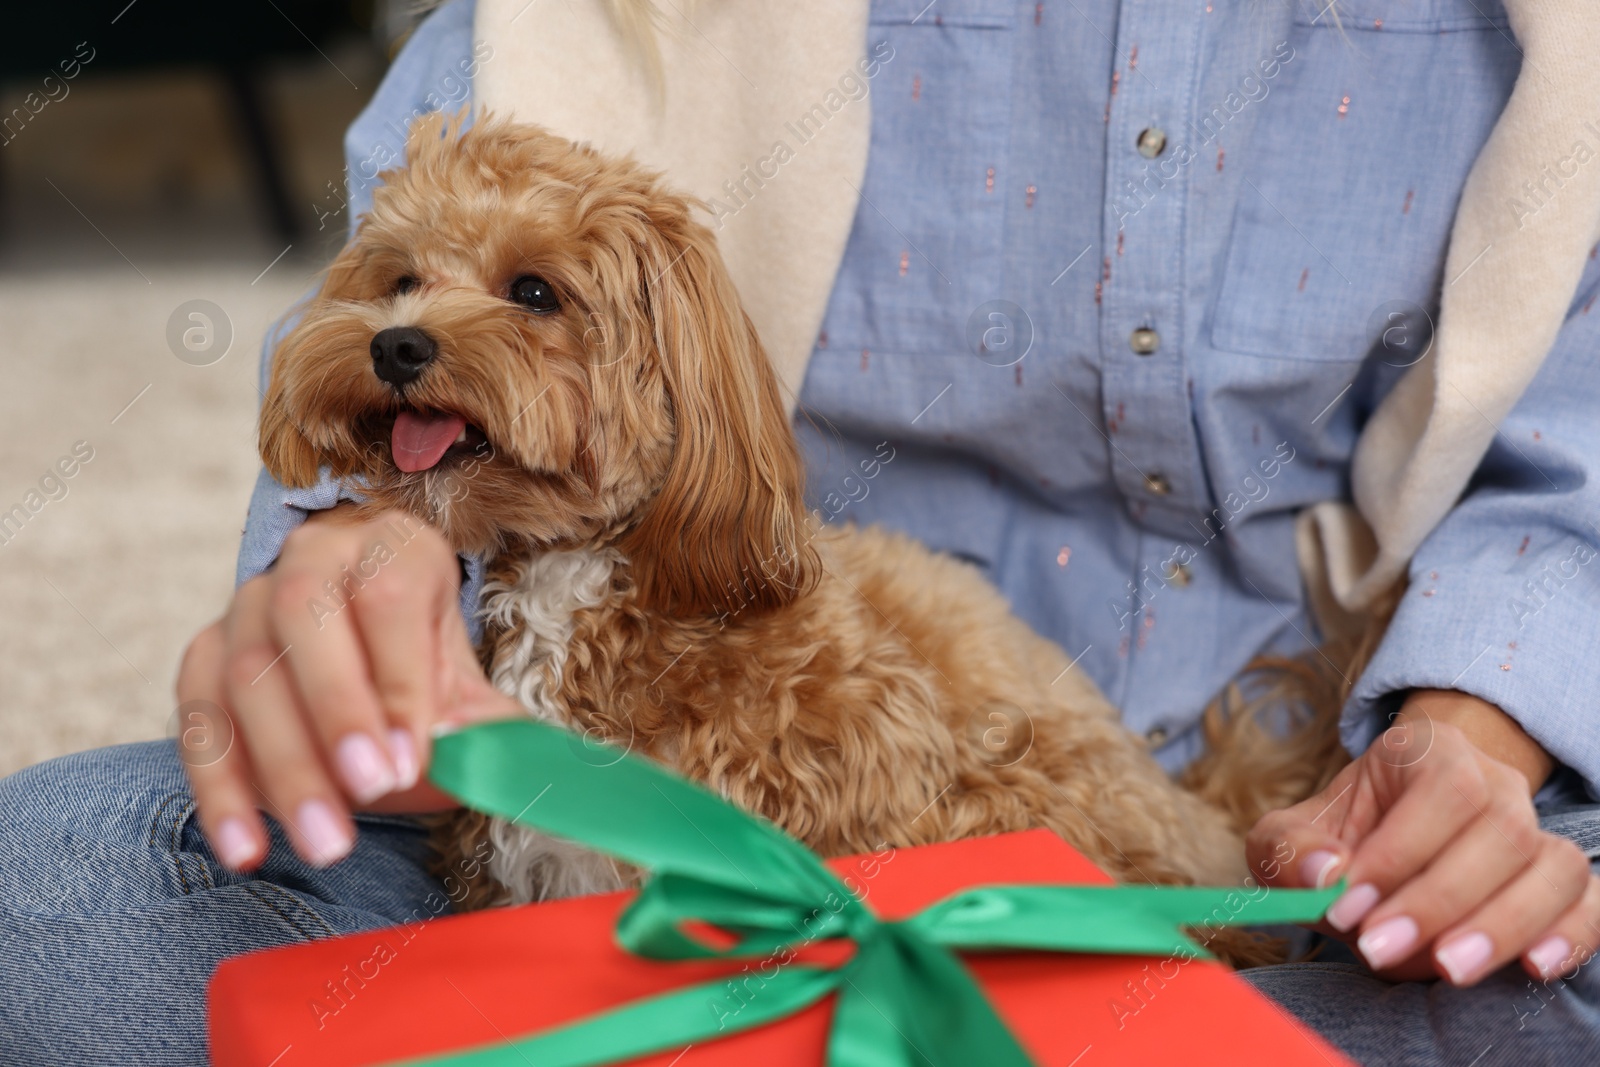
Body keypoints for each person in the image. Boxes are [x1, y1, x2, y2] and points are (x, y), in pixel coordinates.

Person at [3, 1, 1599, 1063]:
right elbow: (344, 434)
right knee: (50, 895)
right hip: (611, 826)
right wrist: (360, 563)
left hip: (1309, 818)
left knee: (1529, 980)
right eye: (412, 295)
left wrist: (1480, 728)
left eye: (529, 301)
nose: (424, 330)